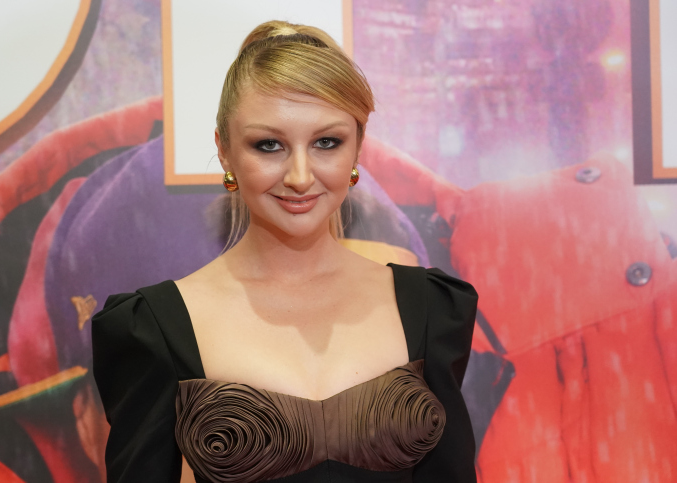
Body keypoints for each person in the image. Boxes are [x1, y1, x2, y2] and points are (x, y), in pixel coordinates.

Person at [91, 20, 478, 482]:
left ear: (357, 148)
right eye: (269, 145)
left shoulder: (431, 309)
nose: (299, 176)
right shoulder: (154, 329)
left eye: (326, 142)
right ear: (225, 150)